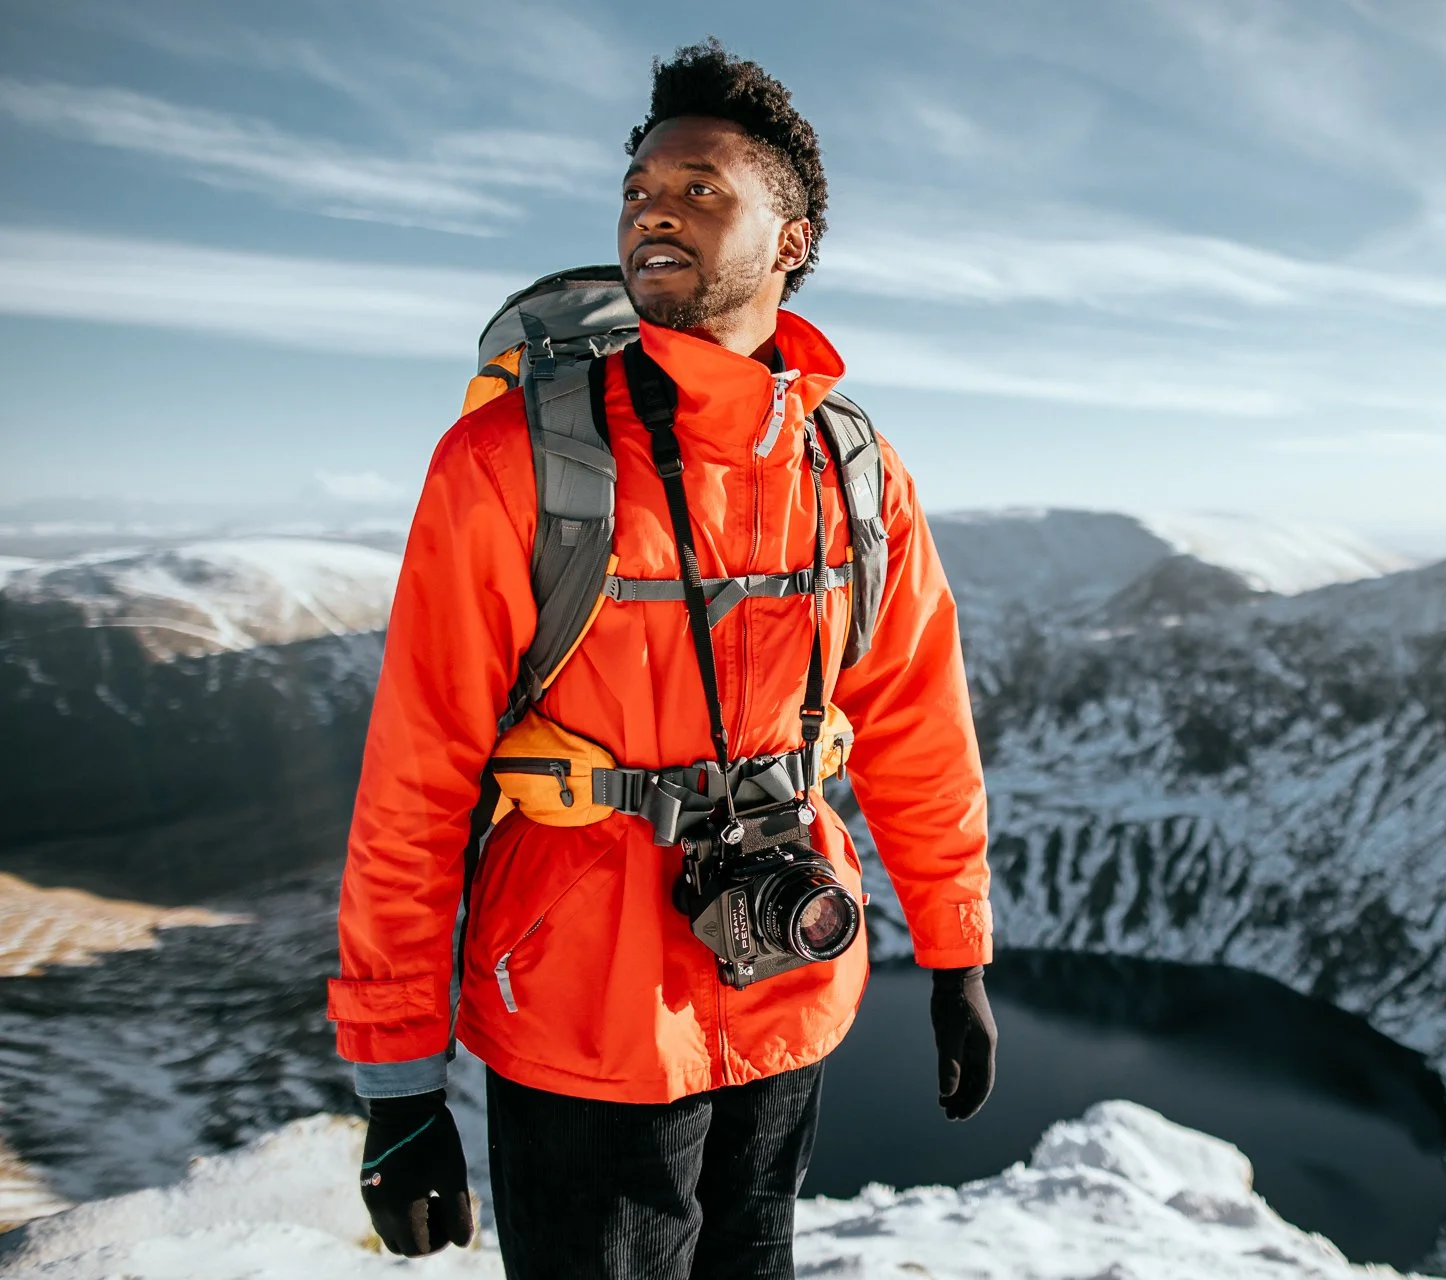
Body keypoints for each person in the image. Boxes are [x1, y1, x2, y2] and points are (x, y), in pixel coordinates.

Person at [326, 41, 997, 1279]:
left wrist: (956, 953)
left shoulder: (852, 469)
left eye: (700, 189)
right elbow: (414, 779)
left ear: (788, 241)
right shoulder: (506, 464)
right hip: (582, 1008)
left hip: (788, 983)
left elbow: (913, 717)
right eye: (639, 187)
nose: (653, 208)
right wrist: (398, 1078)